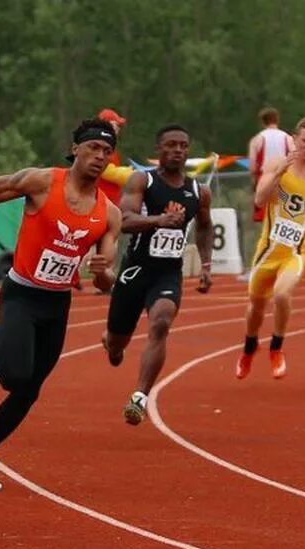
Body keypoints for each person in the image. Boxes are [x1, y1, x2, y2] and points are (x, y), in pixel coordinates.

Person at [0, 117, 122, 491]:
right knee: (13, 375)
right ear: (75, 149)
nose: (99, 156)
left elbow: (105, 277)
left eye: (106, 152)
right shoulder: (42, 182)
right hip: (21, 292)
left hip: (57, 304)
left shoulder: (109, 213)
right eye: (92, 147)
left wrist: (104, 273)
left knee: (28, 391)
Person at [102, 124, 213, 425]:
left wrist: (205, 265)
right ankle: (111, 344)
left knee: (161, 321)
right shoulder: (143, 181)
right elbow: (124, 220)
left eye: (183, 145)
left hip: (167, 273)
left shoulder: (198, 191)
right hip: (136, 269)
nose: (177, 150)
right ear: (159, 149)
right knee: (116, 343)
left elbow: (204, 226)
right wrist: (160, 220)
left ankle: (139, 396)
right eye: (171, 145)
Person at [237, 115, 305, 380]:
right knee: (256, 306)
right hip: (268, 250)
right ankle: (249, 348)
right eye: (304, 140)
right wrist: (280, 171)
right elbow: (259, 199)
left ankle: (276, 347)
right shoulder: (275, 164)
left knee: (282, 295)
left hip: (297, 251)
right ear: (294, 140)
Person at [248, 107, 293, 224]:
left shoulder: (257, 139)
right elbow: (294, 158)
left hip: (265, 181)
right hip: (285, 181)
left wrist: (254, 181)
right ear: (277, 120)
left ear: (262, 122)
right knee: (286, 215)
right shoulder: (287, 138)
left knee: (267, 217)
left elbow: (252, 166)